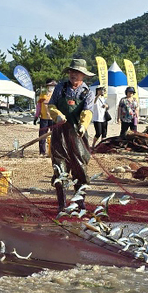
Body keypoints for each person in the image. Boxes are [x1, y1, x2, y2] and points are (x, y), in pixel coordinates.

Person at [47, 60, 96, 212]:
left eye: (77, 72)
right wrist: (58, 115)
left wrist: (83, 125)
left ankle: (79, 203)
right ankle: (61, 204)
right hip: (60, 134)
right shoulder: (60, 88)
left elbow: (87, 111)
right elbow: (51, 105)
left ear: (83, 75)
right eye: (72, 72)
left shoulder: (88, 92)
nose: (74, 75)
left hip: (77, 135)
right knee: (59, 168)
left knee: (80, 168)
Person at [35, 80, 56, 156]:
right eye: (50, 86)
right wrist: (36, 116)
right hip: (44, 118)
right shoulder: (42, 95)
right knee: (42, 135)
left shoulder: (56, 95)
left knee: (55, 136)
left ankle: (54, 151)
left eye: (53, 86)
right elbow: (38, 107)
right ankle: (42, 152)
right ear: (47, 87)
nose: (51, 88)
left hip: (53, 118)